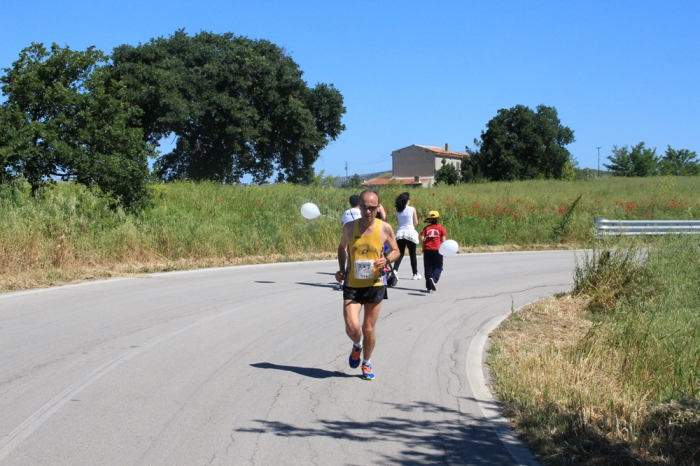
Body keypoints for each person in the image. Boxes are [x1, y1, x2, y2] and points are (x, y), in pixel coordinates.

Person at [336, 189, 400, 380]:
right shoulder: (349, 227)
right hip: (353, 285)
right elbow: (342, 248)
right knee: (352, 328)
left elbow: (396, 250)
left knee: (368, 328)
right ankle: (357, 345)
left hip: (375, 284)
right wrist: (341, 269)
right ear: (360, 207)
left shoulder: (385, 228)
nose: (368, 211)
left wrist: (387, 260)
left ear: (378, 207)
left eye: (372, 207)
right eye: (364, 207)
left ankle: (367, 362)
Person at [393, 192, 421, 281]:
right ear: (406, 200)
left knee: (400, 253)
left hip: (400, 233)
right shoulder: (412, 209)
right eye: (409, 199)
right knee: (412, 254)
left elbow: (398, 223)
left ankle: (395, 270)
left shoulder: (397, 210)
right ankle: (415, 273)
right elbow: (416, 222)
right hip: (410, 233)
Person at [420, 210, 447, 292]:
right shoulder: (441, 228)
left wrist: (423, 247)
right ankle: (434, 279)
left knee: (428, 267)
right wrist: (445, 250)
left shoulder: (426, 228)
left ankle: (429, 287)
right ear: (438, 218)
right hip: (437, 250)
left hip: (427, 250)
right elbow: (443, 240)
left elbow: (421, 238)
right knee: (438, 267)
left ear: (430, 219)